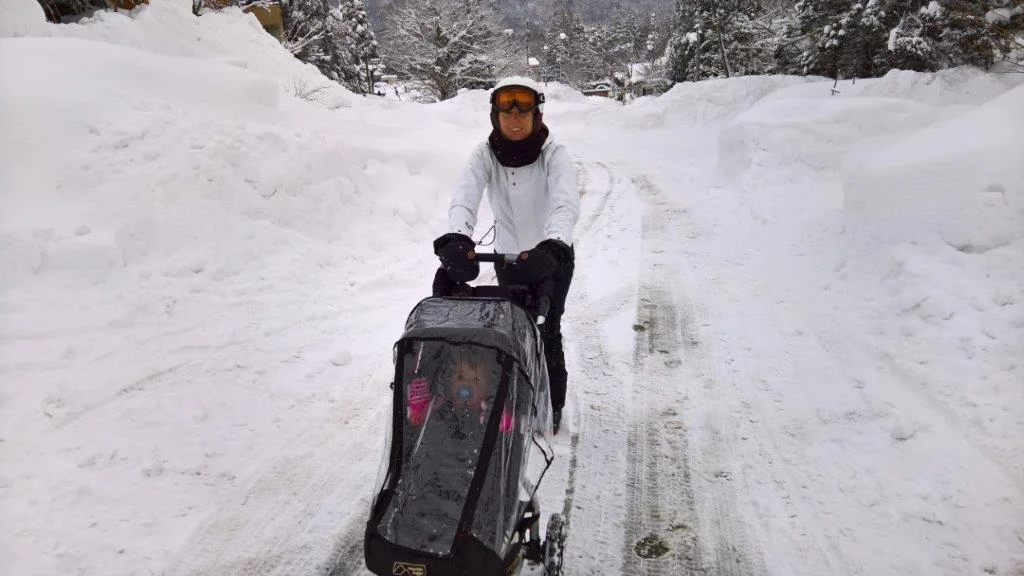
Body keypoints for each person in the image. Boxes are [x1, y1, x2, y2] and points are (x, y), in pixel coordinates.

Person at [432, 76, 580, 435]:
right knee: (510, 326)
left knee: (547, 329)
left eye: (523, 111)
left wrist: (555, 243)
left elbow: (565, 203)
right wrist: (458, 235)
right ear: (495, 116)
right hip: (509, 258)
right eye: (506, 111)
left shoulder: (554, 155)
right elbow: (465, 195)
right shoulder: (485, 154)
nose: (515, 118)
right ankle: (508, 396)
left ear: (536, 115)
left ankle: (552, 403)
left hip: (551, 257)